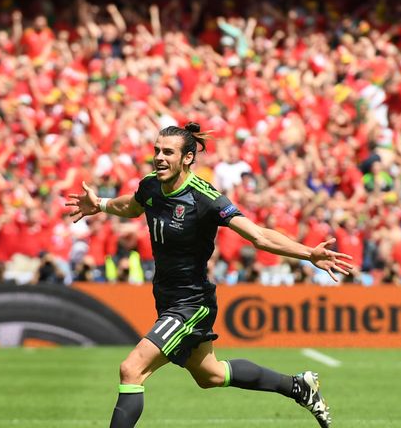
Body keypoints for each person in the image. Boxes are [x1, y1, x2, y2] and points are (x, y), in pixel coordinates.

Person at [66, 122, 354, 428]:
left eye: (168, 152)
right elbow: (134, 206)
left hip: (191, 304)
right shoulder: (151, 185)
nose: (159, 158)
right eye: (157, 151)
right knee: (211, 375)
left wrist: (309, 254)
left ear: (187, 158)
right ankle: (299, 386)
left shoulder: (204, 198)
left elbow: (258, 236)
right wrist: (100, 204)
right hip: (166, 299)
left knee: (131, 369)